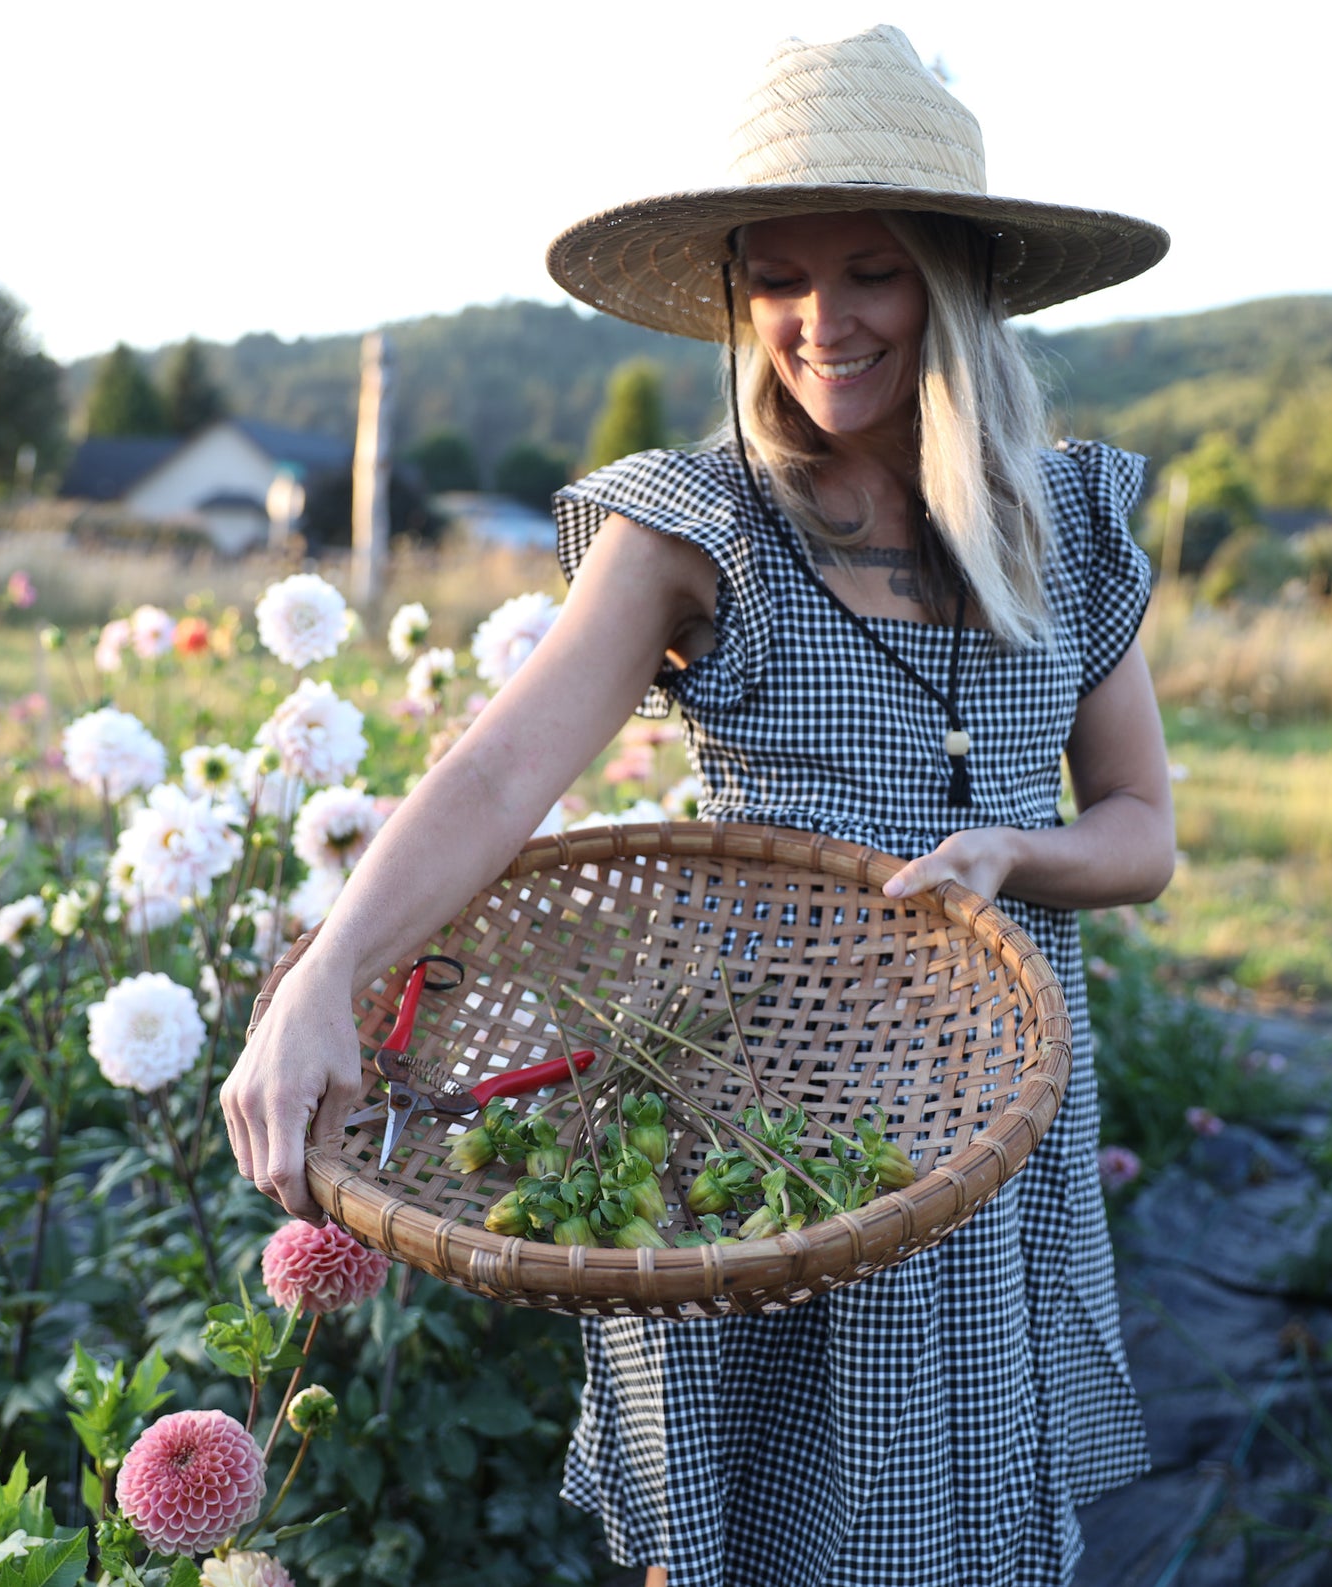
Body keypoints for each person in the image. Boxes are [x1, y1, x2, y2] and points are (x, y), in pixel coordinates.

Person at [223, 23, 1176, 1587]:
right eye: (777, 279)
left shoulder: (1066, 524)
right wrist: (325, 978)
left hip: (989, 1103)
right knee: (737, 1528)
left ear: (948, 282)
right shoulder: (697, 522)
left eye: (867, 272)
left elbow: (1140, 826)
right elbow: (498, 770)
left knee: (958, 1519)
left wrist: (1015, 852)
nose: (819, 321)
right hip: (749, 1104)